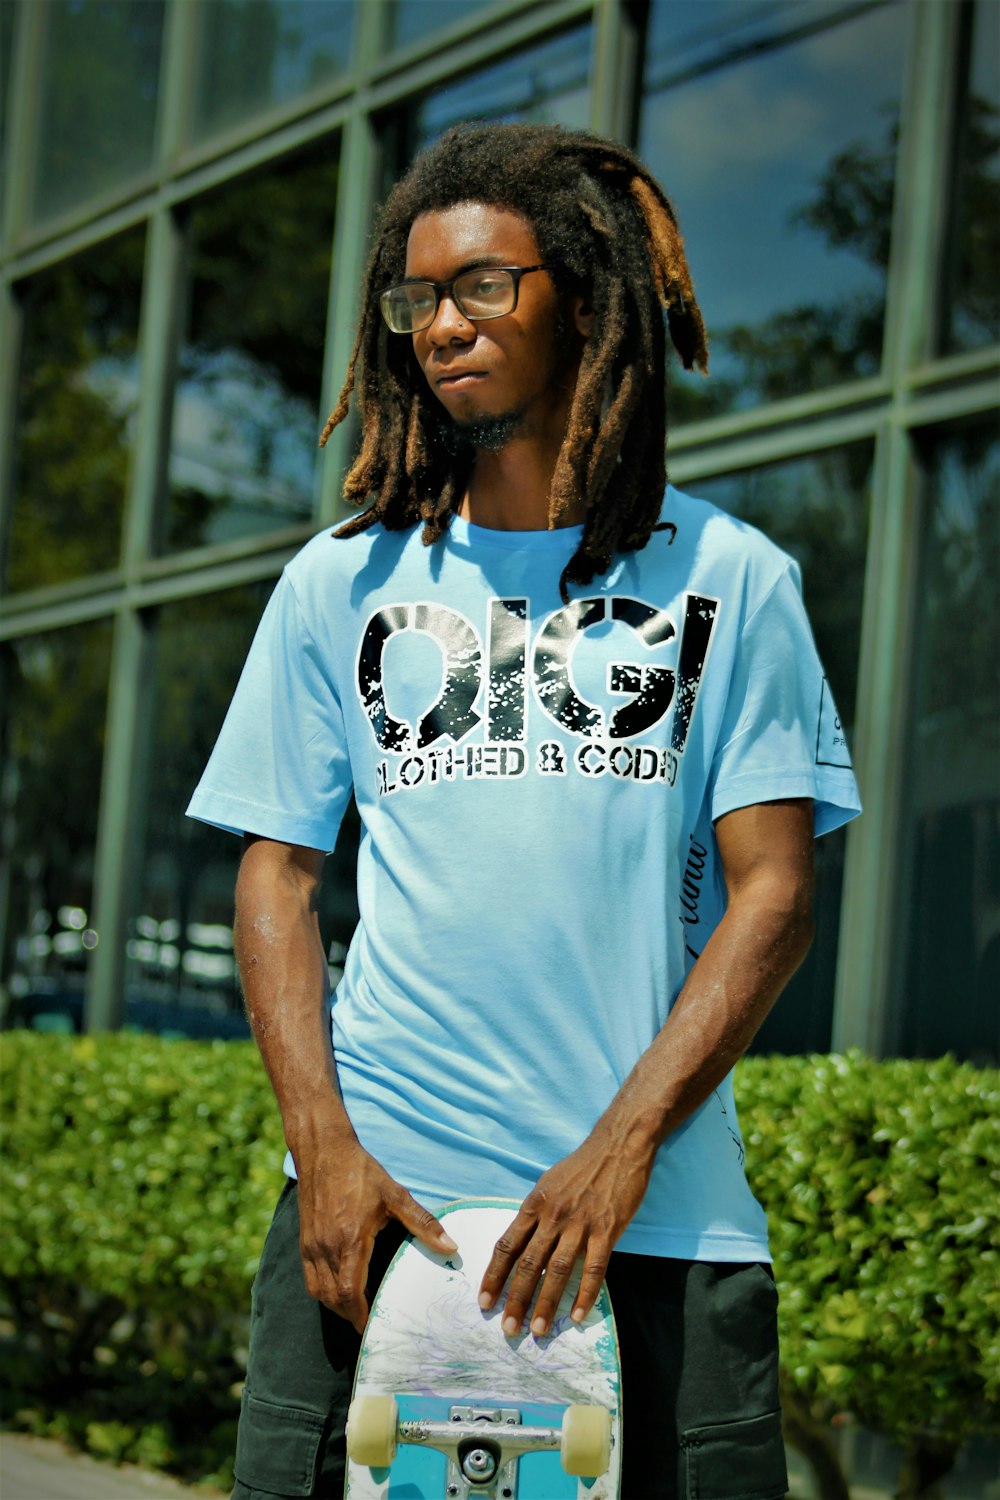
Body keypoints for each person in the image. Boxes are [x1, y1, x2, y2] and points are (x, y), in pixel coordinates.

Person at [188, 122, 861, 1500]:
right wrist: (322, 1148)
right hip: (378, 1214)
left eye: (483, 285)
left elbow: (776, 895)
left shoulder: (736, 579)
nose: (442, 324)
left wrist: (616, 1158)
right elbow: (276, 876)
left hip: (657, 1228)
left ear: (586, 293)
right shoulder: (340, 585)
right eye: (416, 298)